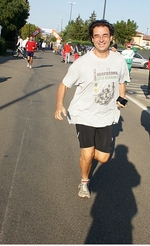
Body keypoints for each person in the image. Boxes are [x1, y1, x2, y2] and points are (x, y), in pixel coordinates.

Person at [54, 19, 130, 198]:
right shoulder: (82, 63)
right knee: (88, 154)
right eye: (97, 36)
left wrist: (122, 99)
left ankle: (87, 157)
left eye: (105, 35)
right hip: (84, 114)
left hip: (106, 116)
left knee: (103, 158)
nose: (101, 39)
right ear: (92, 39)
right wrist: (59, 105)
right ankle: (84, 182)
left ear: (111, 38)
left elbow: (122, 83)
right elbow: (64, 85)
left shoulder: (119, 61)